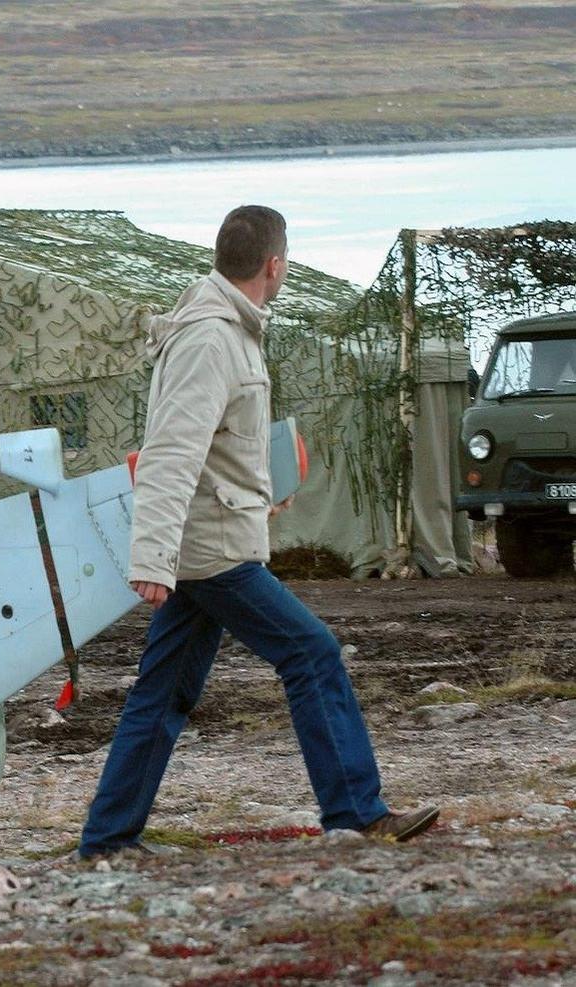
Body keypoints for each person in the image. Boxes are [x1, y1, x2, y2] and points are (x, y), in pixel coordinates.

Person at [78, 206, 438, 859]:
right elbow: (169, 453)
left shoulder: (230, 330)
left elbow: (220, 450)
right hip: (210, 552)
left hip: (213, 536)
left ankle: (107, 841)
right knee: (312, 651)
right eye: (287, 260)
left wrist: (251, 500)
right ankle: (355, 811)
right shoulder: (211, 339)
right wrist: (153, 557)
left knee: (163, 691)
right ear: (274, 265)